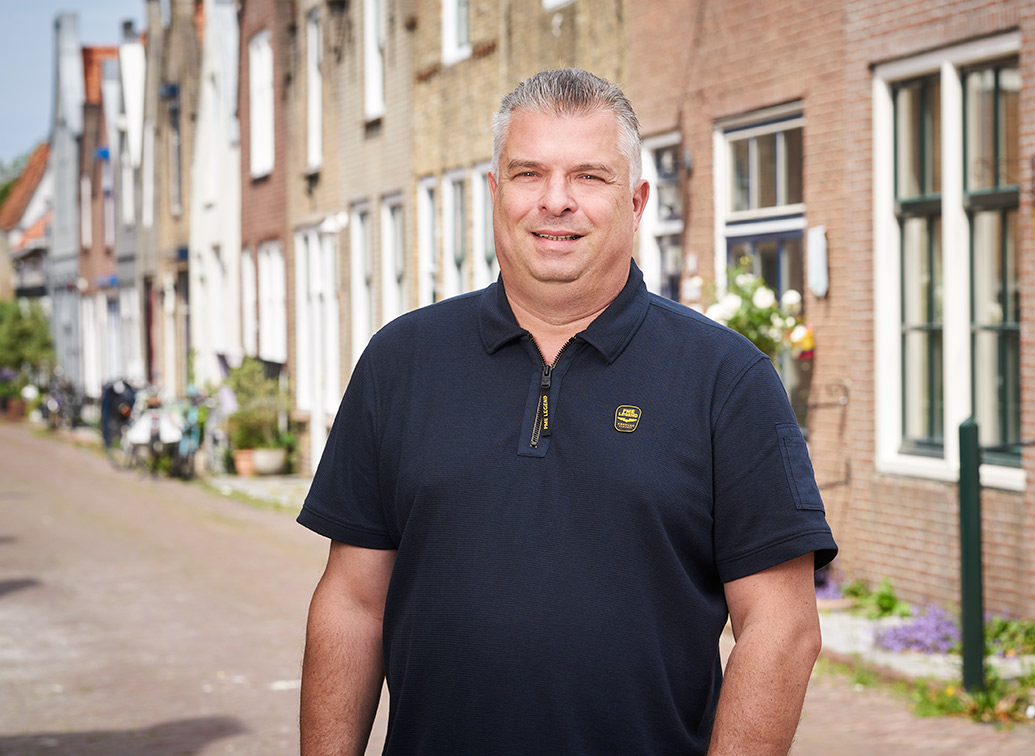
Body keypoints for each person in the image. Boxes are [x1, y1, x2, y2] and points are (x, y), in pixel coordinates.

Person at [298, 68, 837, 756]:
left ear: (636, 202)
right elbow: (352, 604)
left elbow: (782, 629)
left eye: (589, 176)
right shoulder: (399, 363)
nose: (556, 201)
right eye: (529, 174)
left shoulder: (726, 380)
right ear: (496, 193)